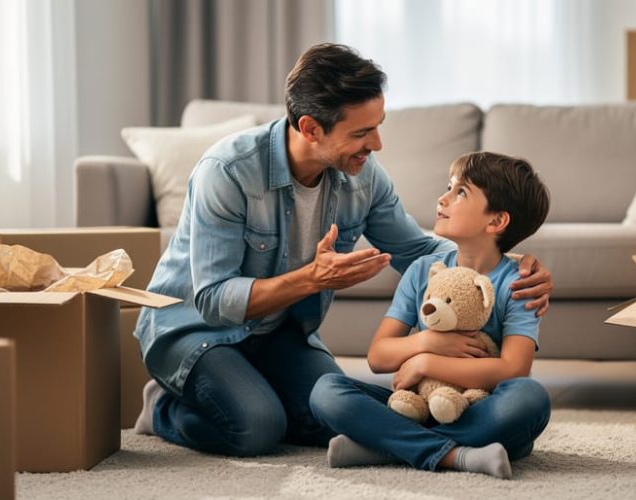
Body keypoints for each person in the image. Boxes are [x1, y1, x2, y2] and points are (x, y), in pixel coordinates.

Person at [132, 43, 553, 458]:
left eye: (378, 125)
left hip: (277, 332)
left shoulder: (363, 176)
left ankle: (260, 390)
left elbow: (420, 251)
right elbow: (213, 300)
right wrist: (312, 278)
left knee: (327, 417)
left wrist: (503, 263)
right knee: (256, 428)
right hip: (196, 332)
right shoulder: (228, 172)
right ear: (311, 128)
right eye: (361, 132)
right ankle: (164, 408)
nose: (377, 144)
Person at [309, 152, 552, 479]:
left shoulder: (519, 284)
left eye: (460, 192)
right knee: (326, 391)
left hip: (478, 409)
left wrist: (426, 363)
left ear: (496, 221)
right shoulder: (421, 271)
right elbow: (379, 357)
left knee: (529, 398)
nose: (443, 198)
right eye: (448, 187)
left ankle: (386, 448)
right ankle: (458, 455)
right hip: (415, 406)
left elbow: (513, 370)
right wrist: (428, 341)